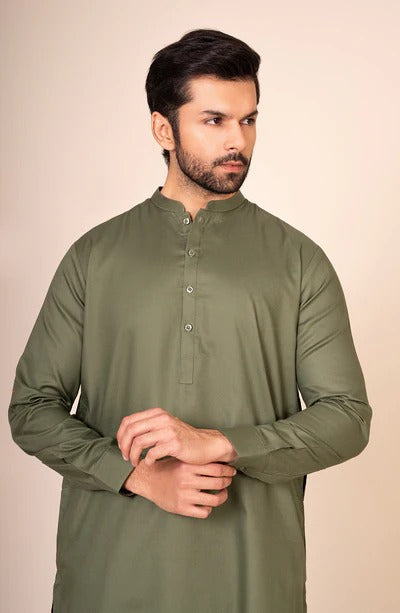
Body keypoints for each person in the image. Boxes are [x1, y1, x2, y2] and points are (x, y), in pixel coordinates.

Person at [8, 28, 373, 613]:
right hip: (107, 582)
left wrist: (220, 443)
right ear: (163, 129)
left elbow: (348, 419)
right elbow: (31, 408)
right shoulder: (94, 256)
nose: (238, 140)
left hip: (253, 584)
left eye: (249, 120)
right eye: (214, 120)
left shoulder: (299, 260)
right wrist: (135, 475)